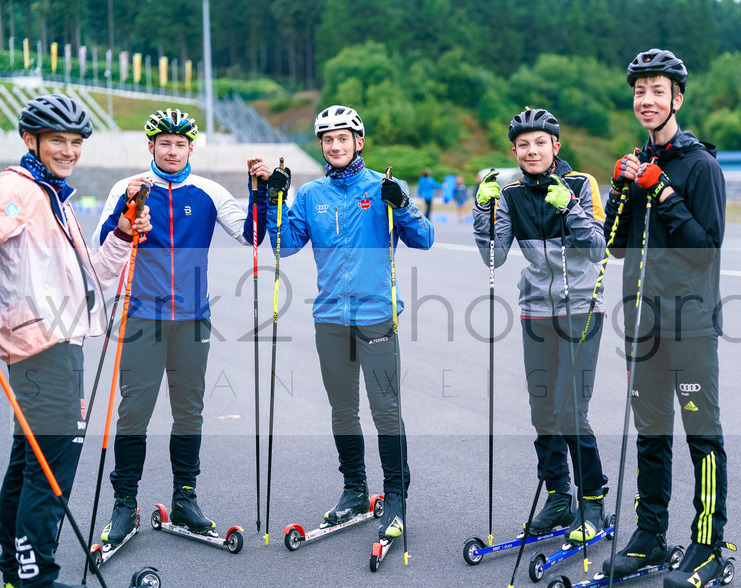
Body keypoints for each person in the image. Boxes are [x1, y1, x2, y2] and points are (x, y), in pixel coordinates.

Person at [0, 94, 150, 588]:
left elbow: (89, 277)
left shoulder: (51, 195)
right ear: (30, 141)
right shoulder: (17, 189)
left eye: (75, 142)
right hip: (42, 348)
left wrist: (122, 236)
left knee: (27, 464)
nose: (67, 150)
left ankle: (17, 581)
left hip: (54, 344)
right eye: (56, 140)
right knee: (50, 473)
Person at [257, 105, 433, 542]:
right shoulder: (312, 195)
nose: (335, 146)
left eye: (343, 137)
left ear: (360, 141)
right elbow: (283, 245)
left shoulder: (384, 186)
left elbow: (424, 238)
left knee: (386, 410)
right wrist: (273, 199)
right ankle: (355, 489)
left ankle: (396, 496)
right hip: (330, 318)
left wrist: (404, 206)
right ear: (321, 146)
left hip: (377, 316)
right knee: (342, 411)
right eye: (327, 139)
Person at [93, 109, 267, 546]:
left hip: (192, 319)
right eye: (164, 144)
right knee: (134, 413)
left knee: (189, 413)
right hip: (142, 318)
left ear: (191, 148)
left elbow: (252, 235)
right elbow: (102, 246)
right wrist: (125, 207)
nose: (173, 151)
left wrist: (259, 191)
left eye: (180, 144)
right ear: (150, 147)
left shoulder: (207, 191)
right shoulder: (128, 186)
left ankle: (185, 498)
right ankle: (123, 503)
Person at [601, 48, 731, 588]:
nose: (646, 100)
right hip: (642, 324)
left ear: (677, 98)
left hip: (691, 326)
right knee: (651, 435)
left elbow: (706, 248)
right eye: (639, 91)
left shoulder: (700, 166)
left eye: (657, 91)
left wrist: (662, 190)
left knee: (702, 437)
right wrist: (622, 195)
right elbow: (614, 246)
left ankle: (708, 546)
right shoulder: (637, 162)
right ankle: (650, 534)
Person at [473, 109, 609, 544]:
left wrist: (570, 210)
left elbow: (596, 249)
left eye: (541, 143)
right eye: (524, 145)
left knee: (571, 411)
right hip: (535, 311)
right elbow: (493, 256)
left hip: (581, 309)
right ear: (514, 151)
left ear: (556, 146)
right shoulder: (510, 193)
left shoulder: (582, 185)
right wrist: (483, 211)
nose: (532, 151)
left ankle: (592, 503)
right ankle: (557, 497)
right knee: (543, 412)